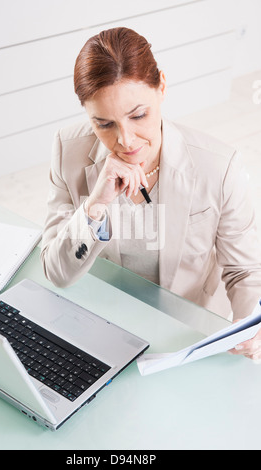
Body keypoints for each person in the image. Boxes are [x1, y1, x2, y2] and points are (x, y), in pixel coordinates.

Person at [41, 27, 261, 360]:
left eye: (138, 115)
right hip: (100, 325)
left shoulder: (219, 166)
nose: (126, 140)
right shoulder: (67, 150)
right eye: (104, 124)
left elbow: (244, 271)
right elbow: (56, 272)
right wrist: (95, 206)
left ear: (161, 87)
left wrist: (248, 326)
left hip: (181, 331)